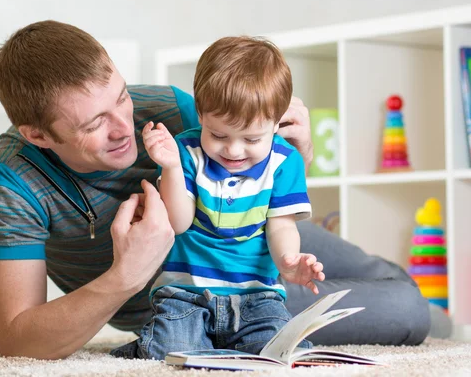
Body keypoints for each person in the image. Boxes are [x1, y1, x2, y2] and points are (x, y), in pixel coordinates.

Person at [0, 20, 434, 361]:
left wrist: (300, 151)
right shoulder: (14, 182)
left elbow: (258, 161)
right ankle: (430, 313)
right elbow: (18, 340)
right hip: (199, 296)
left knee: (386, 276)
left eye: (120, 97)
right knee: (407, 308)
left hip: (256, 233)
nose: (124, 128)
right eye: (95, 123)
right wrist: (129, 275)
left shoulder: (166, 107)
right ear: (37, 135)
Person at [110, 36, 324, 360]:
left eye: (252, 138)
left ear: (277, 121)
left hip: (257, 296)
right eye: (219, 135)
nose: (234, 151)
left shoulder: (285, 161)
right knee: (171, 352)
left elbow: (280, 227)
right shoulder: (185, 151)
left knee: (279, 352)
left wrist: (289, 262)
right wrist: (169, 166)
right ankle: (151, 343)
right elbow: (179, 223)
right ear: (201, 114)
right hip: (186, 293)